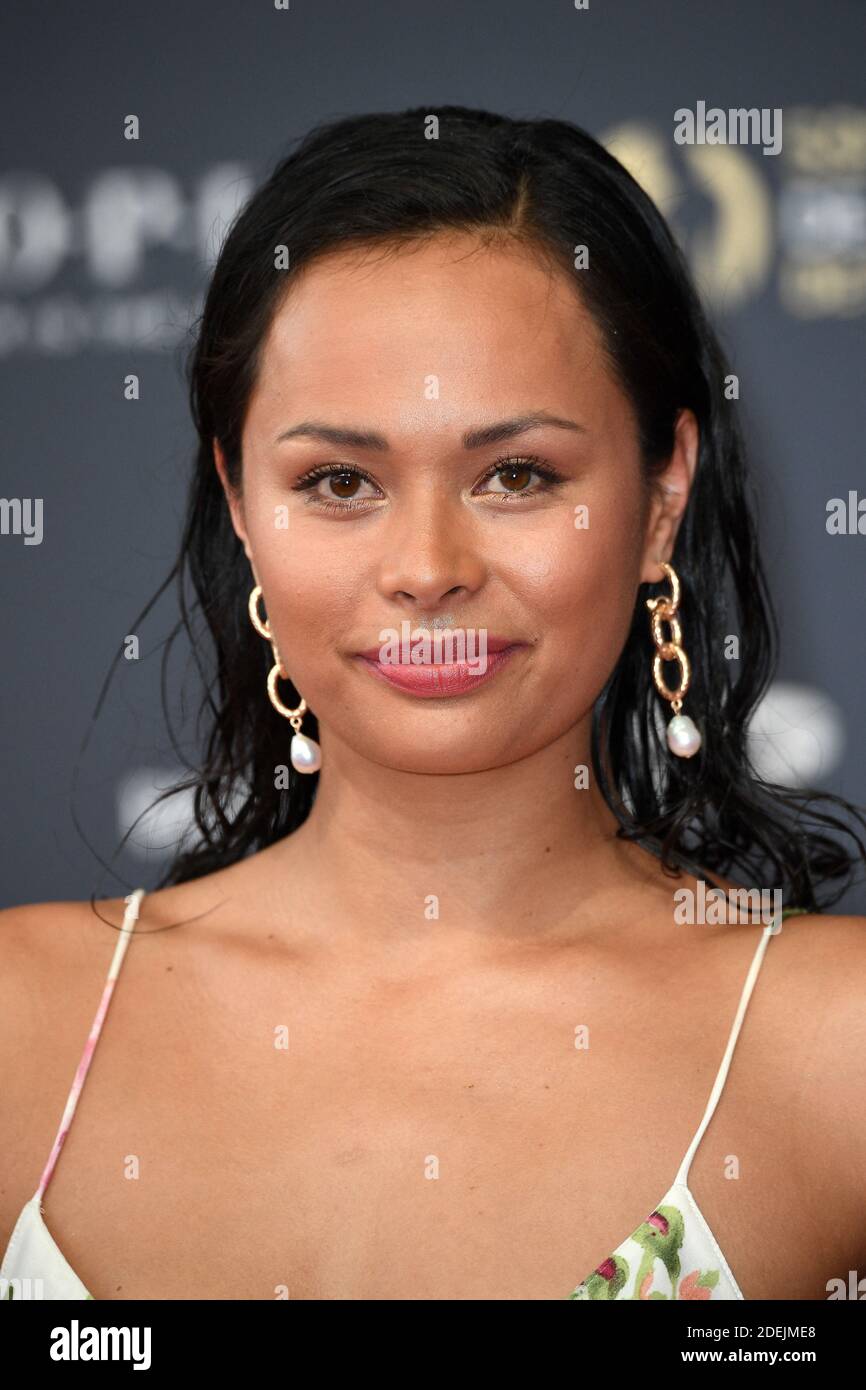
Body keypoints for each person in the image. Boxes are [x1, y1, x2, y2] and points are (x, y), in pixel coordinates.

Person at [2, 106, 865, 1303]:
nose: (424, 564)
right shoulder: (19, 1023)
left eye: (516, 475)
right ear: (239, 500)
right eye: (338, 481)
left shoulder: (836, 1050)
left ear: (663, 489)